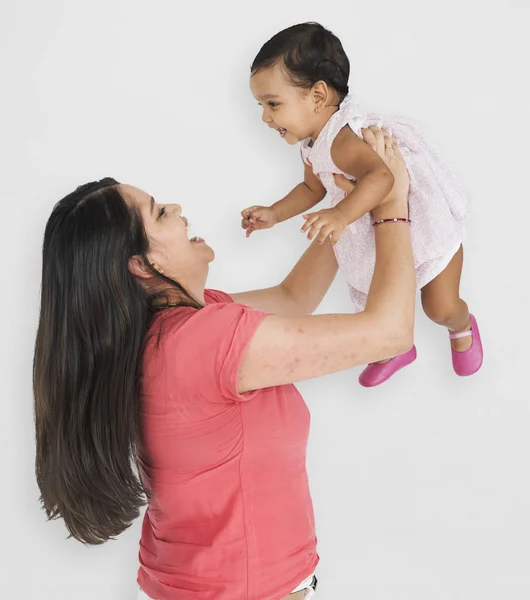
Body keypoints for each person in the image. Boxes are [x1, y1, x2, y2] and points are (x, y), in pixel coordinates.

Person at [34, 127, 414, 600]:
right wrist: (392, 208)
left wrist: (346, 207)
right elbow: (390, 333)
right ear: (140, 263)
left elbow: (293, 298)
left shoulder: (174, 328)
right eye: (159, 212)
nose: (176, 208)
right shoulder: (202, 341)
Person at [242, 22, 483, 387]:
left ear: (318, 96)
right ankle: (395, 346)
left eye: (273, 104)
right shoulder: (312, 142)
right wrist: (274, 213)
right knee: (380, 294)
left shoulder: (341, 138)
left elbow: (382, 178)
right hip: (378, 224)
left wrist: (341, 214)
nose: (265, 117)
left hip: (421, 221)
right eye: (261, 105)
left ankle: (461, 325)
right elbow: (312, 189)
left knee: (440, 306)